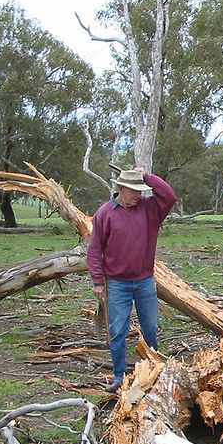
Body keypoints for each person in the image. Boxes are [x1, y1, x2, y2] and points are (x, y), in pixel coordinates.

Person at [87, 167, 177, 393]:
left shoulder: (150, 210)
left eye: (141, 190)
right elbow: (95, 249)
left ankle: (153, 370)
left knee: (151, 327)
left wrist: (146, 175)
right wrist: (98, 281)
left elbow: (169, 195)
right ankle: (119, 376)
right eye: (134, 191)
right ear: (121, 189)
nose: (139, 195)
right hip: (117, 284)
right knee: (117, 330)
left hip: (145, 281)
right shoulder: (105, 214)